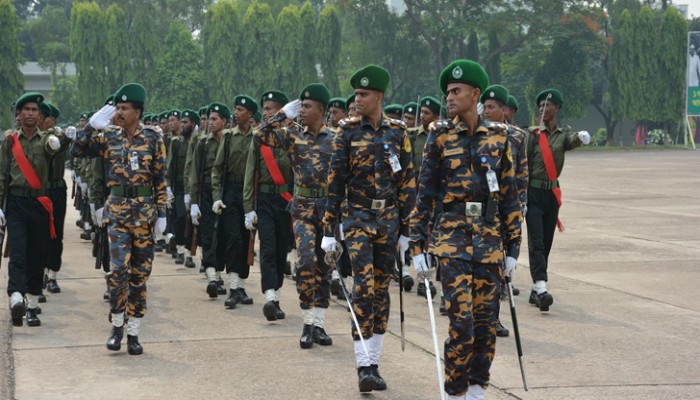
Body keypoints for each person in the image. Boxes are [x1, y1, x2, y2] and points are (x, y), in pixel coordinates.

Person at [410, 60, 522, 400]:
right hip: (451, 241)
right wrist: (417, 245)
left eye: (457, 91)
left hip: (489, 243)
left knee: (487, 328)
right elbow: (425, 193)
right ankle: (454, 393)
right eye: (447, 92)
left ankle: (476, 393)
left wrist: (514, 250)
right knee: (462, 326)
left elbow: (509, 198)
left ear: (475, 94)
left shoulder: (500, 138)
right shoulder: (440, 135)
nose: (450, 97)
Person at [321, 64, 415, 393]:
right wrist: (330, 230)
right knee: (363, 285)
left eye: (363, 94)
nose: (357, 99)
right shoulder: (346, 132)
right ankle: (363, 365)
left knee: (381, 288)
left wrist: (408, 231)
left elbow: (407, 184)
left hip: (388, 218)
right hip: (357, 216)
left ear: (378, 96)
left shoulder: (398, 132)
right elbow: (335, 184)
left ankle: (375, 360)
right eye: (356, 94)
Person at [72, 83, 168, 355]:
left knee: (140, 276)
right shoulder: (108, 137)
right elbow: (77, 151)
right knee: (118, 272)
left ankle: (134, 332)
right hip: (117, 215)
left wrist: (162, 213)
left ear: (138, 111)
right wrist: (91, 127)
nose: (119, 112)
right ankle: (116, 325)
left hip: (145, 215)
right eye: (118, 108)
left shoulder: (152, 137)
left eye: (125, 108)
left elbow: (160, 177)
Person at [256, 83, 335, 349]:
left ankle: (320, 324)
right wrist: (282, 116)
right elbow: (258, 136)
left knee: (324, 266)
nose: (302, 110)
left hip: (328, 212)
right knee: (305, 263)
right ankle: (307, 321)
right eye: (300, 105)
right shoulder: (292, 136)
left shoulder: (335, 139)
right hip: (302, 210)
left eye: (307, 106)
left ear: (321, 110)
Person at [1, 92, 64, 327]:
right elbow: (1, 176)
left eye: (34, 110)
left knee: (37, 254)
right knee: (17, 252)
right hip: (16, 203)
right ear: (18, 114)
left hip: (39, 204)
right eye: (25, 109)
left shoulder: (46, 140)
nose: (29, 113)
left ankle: (33, 303)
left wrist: (62, 137)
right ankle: (16, 296)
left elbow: (58, 148)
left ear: (40, 116)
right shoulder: (9, 142)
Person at [525, 88, 590, 312]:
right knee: (537, 242)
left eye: (547, 105)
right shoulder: (533, 134)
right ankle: (542, 287)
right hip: (532, 193)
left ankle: (535, 288)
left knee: (547, 242)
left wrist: (582, 137)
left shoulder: (563, 134)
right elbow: (522, 165)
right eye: (540, 106)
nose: (543, 109)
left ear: (557, 108)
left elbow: (572, 141)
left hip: (552, 195)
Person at [481, 84, 528, 338]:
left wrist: (522, 202)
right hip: (486, 210)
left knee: (502, 266)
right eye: (485, 107)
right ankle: (485, 316)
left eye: (492, 107)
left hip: (506, 209)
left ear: (504, 110)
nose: (487, 111)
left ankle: (494, 318)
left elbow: (521, 172)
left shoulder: (517, 136)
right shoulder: (479, 134)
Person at [243, 91, 293, 322]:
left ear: (281, 111)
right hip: (263, 200)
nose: (265, 113)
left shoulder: (292, 136)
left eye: (271, 109)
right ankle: (270, 297)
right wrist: (248, 207)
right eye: (264, 109)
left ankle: (278, 296)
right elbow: (249, 172)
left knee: (282, 249)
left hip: (286, 201)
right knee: (268, 248)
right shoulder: (259, 137)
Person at [210, 97, 255, 309]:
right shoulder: (228, 137)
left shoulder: (257, 137)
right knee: (233, 238)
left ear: (250, 114)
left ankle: (241, 286)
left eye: (240, 109)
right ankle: (234, 287)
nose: (236, 113)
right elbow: (217, 169)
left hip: (250, 194)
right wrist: (217, 197)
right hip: (231, 192)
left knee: (246, 239)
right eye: (235, 109)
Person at [190, 103, 230, 298]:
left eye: (215, 119)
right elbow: (195, 173)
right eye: (209, 119)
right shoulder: (203, 143)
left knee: (223, 234)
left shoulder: (230, 140)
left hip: (226, 192)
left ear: (224, 121)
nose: (210, 122)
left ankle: (219, 272)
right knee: (208, 234)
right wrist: (194, 201)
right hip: (206, 192)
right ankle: (212, 276)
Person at [40, 102, 70, 295]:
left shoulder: (58, 138)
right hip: (41, 192)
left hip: (57, 190)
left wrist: (66, 136)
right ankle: (39, 273)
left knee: (56, 234)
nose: (48, 121)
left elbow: (59, 146)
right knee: (39, 235)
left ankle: (52, 275)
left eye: (50, 118)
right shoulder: (36, 140)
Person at [167, 109, 197, 267]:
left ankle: (189, 253)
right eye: (182, 122)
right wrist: (167, 187)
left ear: (193, 124)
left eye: (186, 122)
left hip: (193, 187)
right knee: (179, 218)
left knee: (192, 221)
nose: (182, 125)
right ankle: (179, 249)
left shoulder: (198, 142)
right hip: (179, 187)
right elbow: (170, 166)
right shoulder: (176, 143)